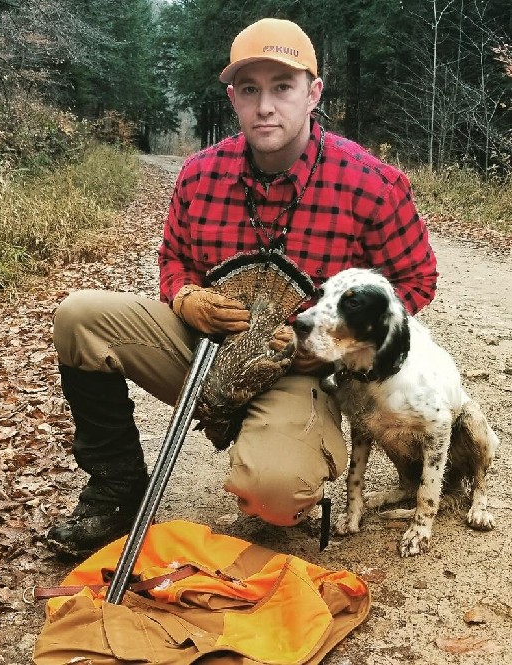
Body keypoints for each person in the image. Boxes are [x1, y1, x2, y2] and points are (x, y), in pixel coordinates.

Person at [47, 17, 438, 557]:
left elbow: (416, 280)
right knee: (79, 317)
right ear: (233, 98)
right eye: (249, 90)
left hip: (298, 372)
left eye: (283, 87)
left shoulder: (372, 184)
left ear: (313, 94)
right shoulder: (199, 174)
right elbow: (175, 260)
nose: (265, 106)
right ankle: (117, 488)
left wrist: (335, 347)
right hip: (205, 351)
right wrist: (184, 296)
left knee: (274, 496)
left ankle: (275, 452)